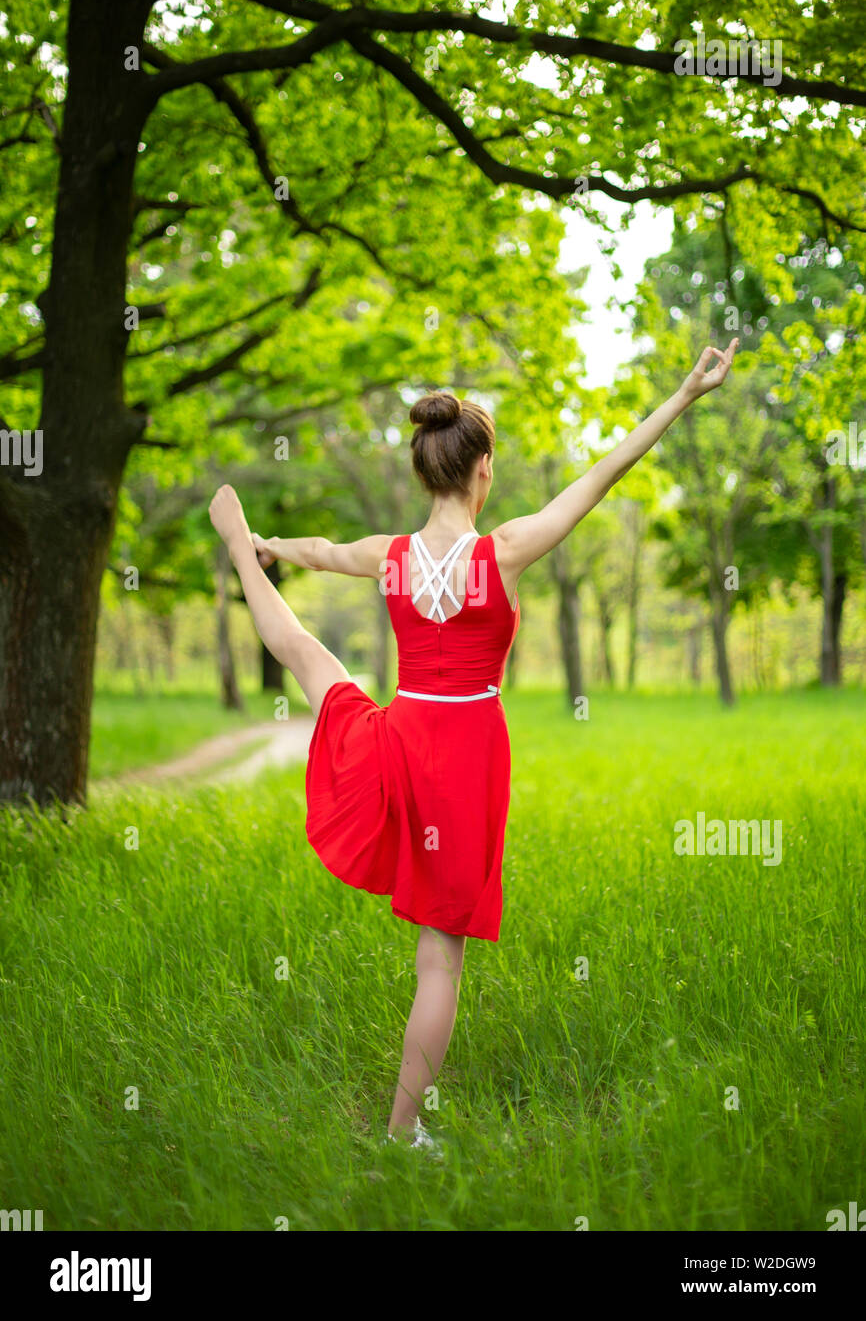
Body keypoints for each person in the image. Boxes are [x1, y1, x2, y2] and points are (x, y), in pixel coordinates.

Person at [208, 337, 738, 1154]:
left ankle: (239, 555)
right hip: (466, 756)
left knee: (314, 661)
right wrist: (684, 396)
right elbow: (605, 473)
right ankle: (402, 1130)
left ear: (425, 473)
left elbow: (323, 553)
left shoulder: (390, 558)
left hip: (403, 733)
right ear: (481, 469)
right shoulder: (507, 550)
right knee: (439, 958)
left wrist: (272, 550)